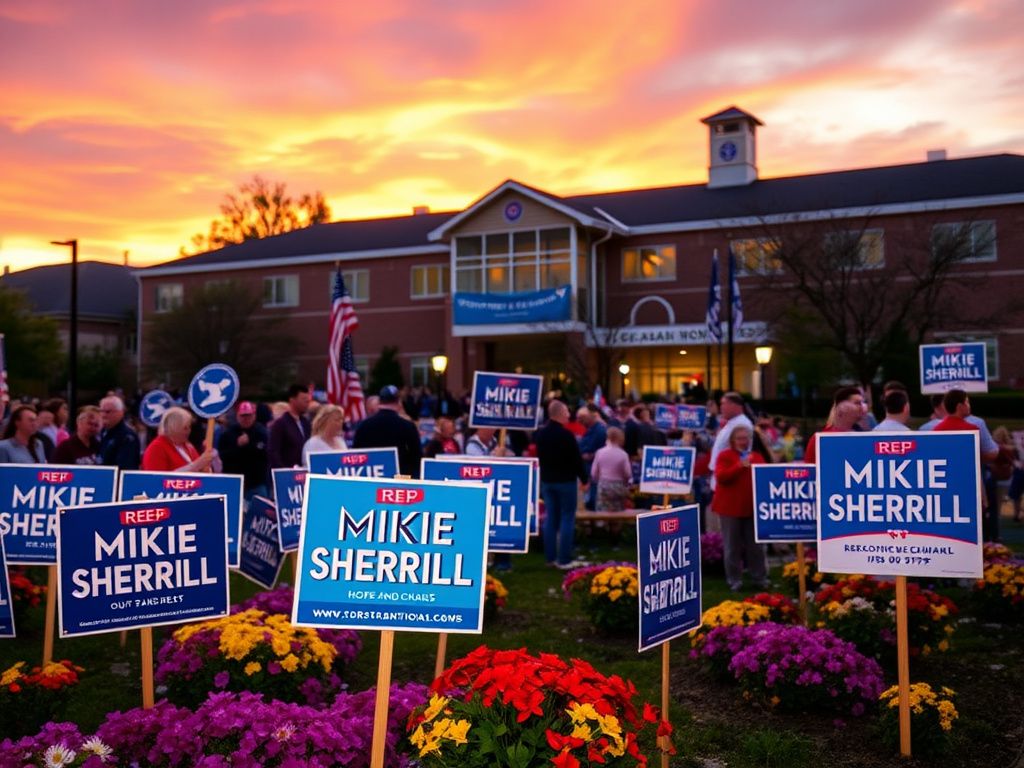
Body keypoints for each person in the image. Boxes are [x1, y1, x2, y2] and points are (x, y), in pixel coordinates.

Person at [932, 389, 1000, 541]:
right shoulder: (971, 430)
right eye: (967, 402)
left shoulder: (936, 430)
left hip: (945, 488)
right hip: (968, 487)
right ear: (959, 405)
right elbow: (979, 461)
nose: (969, 405)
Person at [534, 400, 588, 569]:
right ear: (558, 413)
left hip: (548, 481)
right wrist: (584, 478)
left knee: (551, 518)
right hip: (565, 481)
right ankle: (564, 558)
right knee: (566, 518)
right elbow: (576, 459)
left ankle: (550, 558)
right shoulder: (566, 435)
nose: (568, 415)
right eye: (566, 412)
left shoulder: (540, 435)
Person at [713, 425, 768, 591]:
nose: (744, 442)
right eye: (740, 438)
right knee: (732, 547)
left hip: (752, 508)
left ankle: (759, 578)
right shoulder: (725, 456)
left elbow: (766, 476)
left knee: (756, 547)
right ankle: (734, 580)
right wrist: (739, 466)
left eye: (746, 438)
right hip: (730, 509)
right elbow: (721, 477)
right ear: (732, 440)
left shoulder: (757, 456)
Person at [352, 385, 422, 477]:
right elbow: (416, 458)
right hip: (398, 482)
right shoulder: (407, 426)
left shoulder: (364, 426)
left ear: (380, 401)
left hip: (370, 478)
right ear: (399, 402)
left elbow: (356, 456)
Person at [218, 401, 270, 500]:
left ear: (254, 416)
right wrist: (238, 446)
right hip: (235, 483)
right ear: (238, 416)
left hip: (256, 483)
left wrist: (249, 445)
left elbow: (265, 455)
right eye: (243, 416)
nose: (246, 419)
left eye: (249, 416)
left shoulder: (261, 432)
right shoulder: (228, 434)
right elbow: (223, 456)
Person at [142, 406, 217, 472]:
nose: (189, 431)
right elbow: (158, 480)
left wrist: (206, 460)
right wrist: (196, 465)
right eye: (185, 428)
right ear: (174, 427)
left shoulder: (188, 447)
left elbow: (200, 470)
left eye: (189, 427)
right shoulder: (157, 448)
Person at [708, 392, 753, 490]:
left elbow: (745, 452)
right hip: (720, 475)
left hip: (730, 478)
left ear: (733, 405)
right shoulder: (732, 423)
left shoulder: (743, 424)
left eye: (723, 404)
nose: (721, 407)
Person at [803, 400, 862, 465]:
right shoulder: (819, 439)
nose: (861, 407)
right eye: (857, 403)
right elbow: (809, 469)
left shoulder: (864, 437)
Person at [268, 384, 312, 469]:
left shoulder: (306, 423)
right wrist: (283, 471)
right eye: (303, 399)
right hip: (289, 474)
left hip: (305, 472)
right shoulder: (280, 424)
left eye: (308, 400)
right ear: (292, 400)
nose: (307, 403)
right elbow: (273, 452)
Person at [590, 427, 632, 512]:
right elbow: (628, 474)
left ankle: (602, 524)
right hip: (618, 486)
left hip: (603, 485)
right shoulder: (623, 454)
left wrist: (599, 479)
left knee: (602, 512)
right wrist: (626, 483)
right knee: (618, 512)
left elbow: (593, 473)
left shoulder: (600, 452)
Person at [576, 406, 607, 511]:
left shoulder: (600, 430)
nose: (579, 421)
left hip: (594, 471)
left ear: (590, 416)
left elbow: (602, 450)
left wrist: (589, 455)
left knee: (593, 500)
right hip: (587, 470)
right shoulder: (589, 430)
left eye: (582, 418)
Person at [98, 395, 141, 470]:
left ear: (120, 413)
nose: (103, 415)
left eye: (108, 412)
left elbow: (125, 467)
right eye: (101, 411)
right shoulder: (101, 432)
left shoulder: (127, 436)